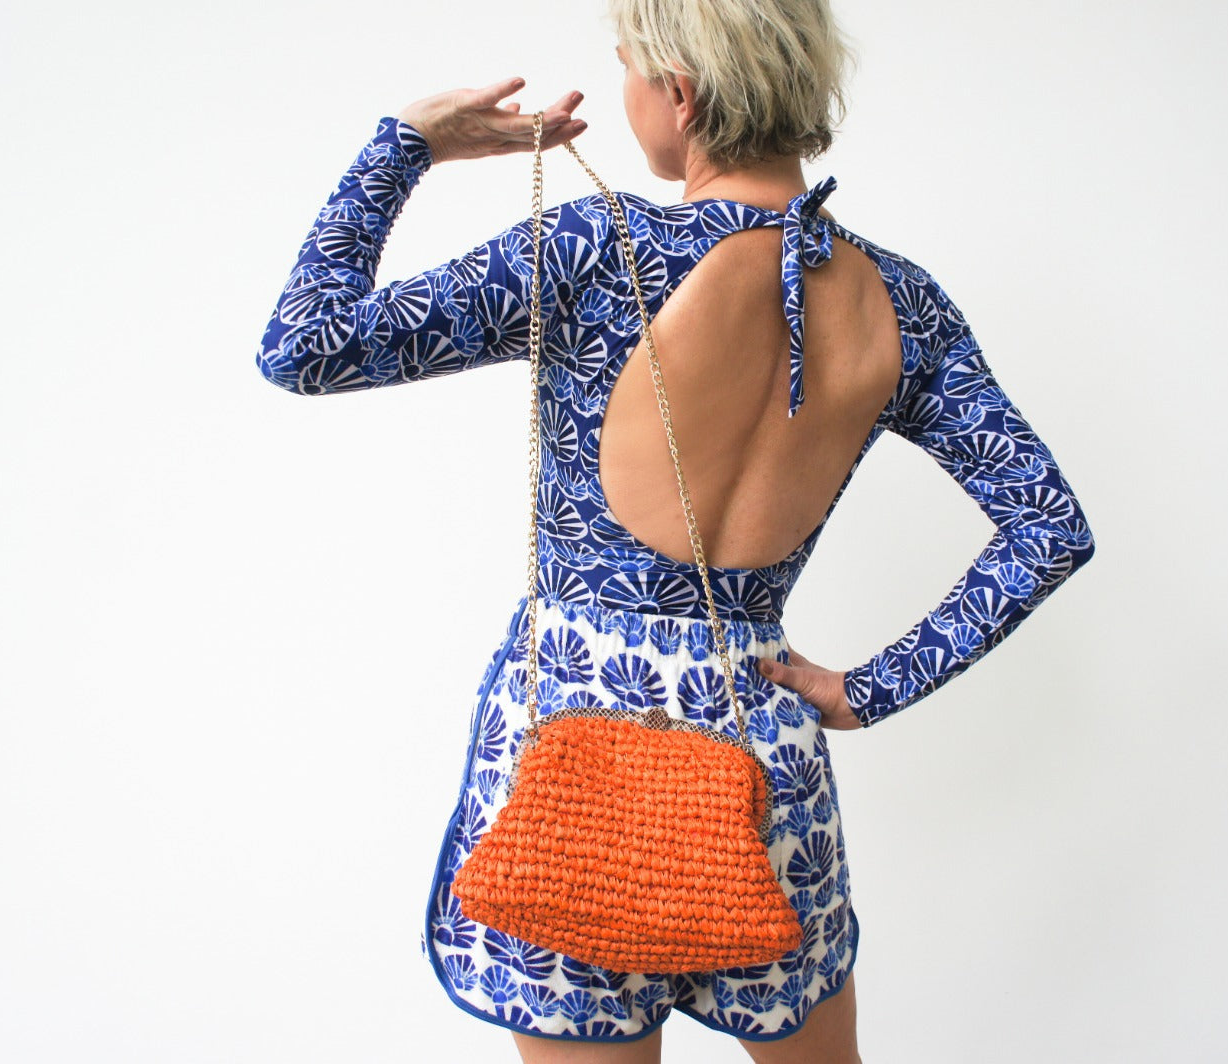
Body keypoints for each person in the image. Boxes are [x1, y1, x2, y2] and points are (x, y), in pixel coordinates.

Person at [256, 2, 1095, 1060]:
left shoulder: (593, 249)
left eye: (628, 71)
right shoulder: (901, 301)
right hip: (759, 762)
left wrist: (408, 146)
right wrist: (865, 689)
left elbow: (306, 344)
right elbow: (1047, 526)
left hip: (572, 761)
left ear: (681, 94)